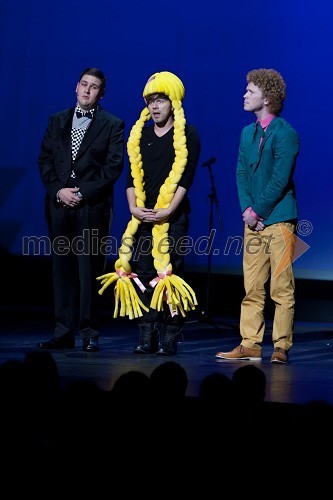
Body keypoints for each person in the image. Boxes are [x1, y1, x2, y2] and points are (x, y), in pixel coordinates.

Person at [98, 71, 201, 355]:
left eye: (161, 100)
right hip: (142, 215)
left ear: (173, 103)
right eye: (151, 101)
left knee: (169, 272)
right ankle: (147, 333)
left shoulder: (187, 134)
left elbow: (186, 177)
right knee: (142, 272)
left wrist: (168, 210)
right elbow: (131, 178)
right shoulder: (139, 134)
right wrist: (133, 207)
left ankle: (170, 333)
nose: (155, 106)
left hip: (172, 215)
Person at [216, 68, 299, 364]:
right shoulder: (246, 133)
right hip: (253, 221)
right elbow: (240, 173)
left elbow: (280, 179)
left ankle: (281, 345)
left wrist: (258, 211)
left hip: (279, 220)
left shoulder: (285, 133)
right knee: (251, 286)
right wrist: (247, 211)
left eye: (250, 91)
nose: (244, 95)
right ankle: (250, 343)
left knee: (281, 286)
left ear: (267, 97)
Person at [38, 67, 125, 352]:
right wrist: (58, 191)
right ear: (76, 87)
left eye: (94, 87)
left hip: (91, 205)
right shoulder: (57, 120)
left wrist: (83, 192)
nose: (88, 90)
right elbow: (45, 160)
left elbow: (113, 167)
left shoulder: (112, 124)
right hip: (60, 204)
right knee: (62, 270)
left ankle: (89, 333)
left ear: (101, 93)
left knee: (88, 271)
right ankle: (63, 333)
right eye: (84, 84)